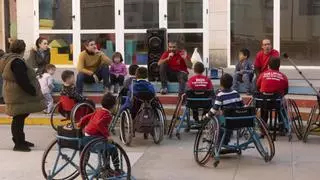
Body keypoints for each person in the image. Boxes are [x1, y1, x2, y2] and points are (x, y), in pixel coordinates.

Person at [0, 39, 45, 152]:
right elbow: (22, 79)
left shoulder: (10, 58)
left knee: (20, 117)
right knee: (18, 118)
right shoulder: (17, 61)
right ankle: (18, 144)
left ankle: (21, 140)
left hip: (16, 93)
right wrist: (32, 90)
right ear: (23, 49)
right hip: (18, 94)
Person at [78, 93, 122, 176]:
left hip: (86, 138)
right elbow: (99, 124)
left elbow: (86, 117)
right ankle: (117, 169)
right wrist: (107, 135)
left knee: (106, 146)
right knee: (113, 148)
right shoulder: (107, 115)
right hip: (93, 140)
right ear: (113, 106)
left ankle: (106, 167)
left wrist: (80, 124)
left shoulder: (98, 111)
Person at [204, 73, 244, 145]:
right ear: (232, 83)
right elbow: (242, 106)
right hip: (237, 120)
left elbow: (214, 109)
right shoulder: (236, 93)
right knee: (226, 117)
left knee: (217, 117)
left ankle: (218, 142)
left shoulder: (220, 95)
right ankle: (225, 141)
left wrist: (207, 115)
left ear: (221, 84)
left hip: (226, 121)